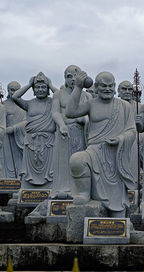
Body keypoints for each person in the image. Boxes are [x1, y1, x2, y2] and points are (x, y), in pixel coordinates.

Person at [66, 71, 137, 217]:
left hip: (116, 154)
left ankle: (118, 223)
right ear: (96, 87)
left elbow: (131, 131)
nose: (107, 89)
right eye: (103, 86)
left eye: (111, 86)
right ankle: (84, 193)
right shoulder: (91, 104)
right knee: (77, 160)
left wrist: (119, 139)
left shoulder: (124, 106)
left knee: (117, 208)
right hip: (94, 152)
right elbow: (70, 112)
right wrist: (78, 87)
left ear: (115, 87)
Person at [51, 65, 90, 199]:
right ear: (65, 78)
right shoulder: (58, 94)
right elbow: (55, 112)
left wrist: (84, 119)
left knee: (79, 162)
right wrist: (62, 125)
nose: (73, 79)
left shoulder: (87, 95)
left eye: (76, 76)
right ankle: (62, 189)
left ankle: (80, 190)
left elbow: (91, 115)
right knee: (63, 162)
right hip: (64, 132)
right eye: (69, 76)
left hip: (80, 133)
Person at [12, 72, 56, 188]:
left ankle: (49, 189)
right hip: (31, 141)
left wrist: (50, 84)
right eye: (37, 87)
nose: (40, 89)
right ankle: (28, 189)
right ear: (33, 89)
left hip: (48, 141)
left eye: (43, 87)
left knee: (49, 169)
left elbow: (62, 98)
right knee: (30, 169)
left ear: (47, 89)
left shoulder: (53, 102)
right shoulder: (29, 104)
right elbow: (15, 97)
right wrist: (28, 84)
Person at [3, 81, 26, 178]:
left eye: (17, 90)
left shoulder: (24, 105)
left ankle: (21, 178)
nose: (15, 92)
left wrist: (14, 128)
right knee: (6, 161)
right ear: (8, 91)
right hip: (6, 139)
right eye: (12, 90)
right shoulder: (3, 105)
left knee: (21, 161)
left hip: (20, 138)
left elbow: (27, 121)